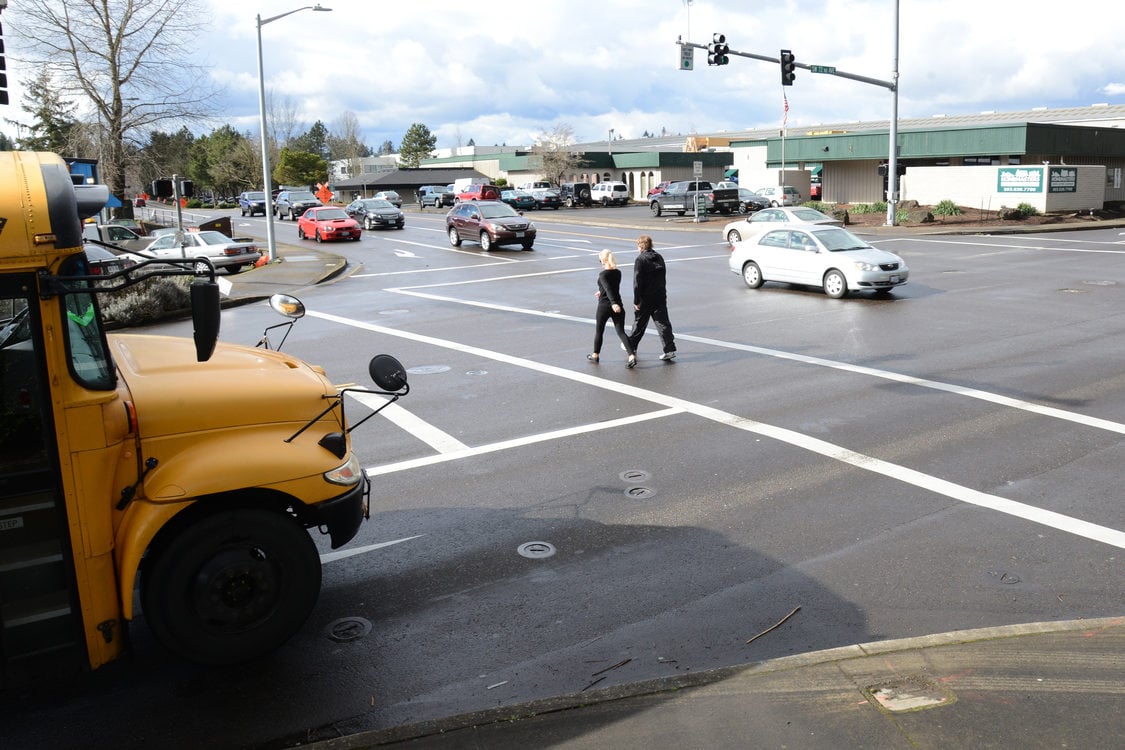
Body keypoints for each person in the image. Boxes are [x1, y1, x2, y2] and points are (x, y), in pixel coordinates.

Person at [627, 234, 676, 361]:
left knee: (639, 323)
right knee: (663, 323)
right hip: (659, 295)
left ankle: (631, 346)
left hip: (645, 297)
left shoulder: (640, 260)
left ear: (640, 246)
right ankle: (669, 350)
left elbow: (637, 282)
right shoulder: (659, 257)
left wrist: (636, 300)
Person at [588, 249, 636, 368]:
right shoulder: (618, 272)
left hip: (605, 306)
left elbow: (609, 289)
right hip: (618, 305)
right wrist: (601, 291)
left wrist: (612, 303)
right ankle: (631, 356)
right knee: (621, 331)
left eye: (600, 260)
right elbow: (611, 287)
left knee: (599, 331)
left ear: (603, 260)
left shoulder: (603, 274)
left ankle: (595, 355)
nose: (600, 262)